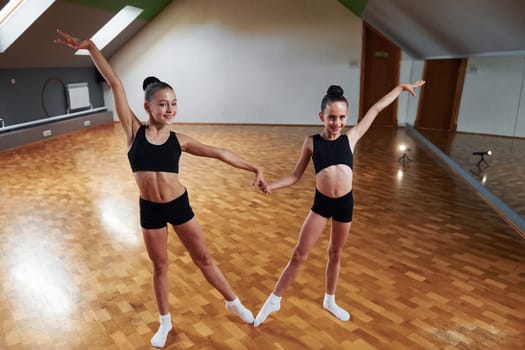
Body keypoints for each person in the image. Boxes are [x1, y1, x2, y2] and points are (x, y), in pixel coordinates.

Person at [54, 29, 264, 348]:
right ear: (148, 107)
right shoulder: (132, 132)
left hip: (178, 205)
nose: (170, 109)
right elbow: (115, 83)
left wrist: (254, 167)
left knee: (203, 258)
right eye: (163, 104)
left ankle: (233, 301)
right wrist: (91, 47)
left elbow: (219, 152)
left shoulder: (179, 141)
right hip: (149, 208)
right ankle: (165, 321)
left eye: (174, 104)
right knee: (160, 266)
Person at [254, 81, 425, 327]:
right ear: (321, 116)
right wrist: (271, 185)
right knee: (299, 255)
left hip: (345, 204)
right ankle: (274, 300)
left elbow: (376, 109)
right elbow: (295, 176)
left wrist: (399, 88)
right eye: (332, 118)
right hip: (321, 205)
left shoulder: (350, 138)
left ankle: (330, 300)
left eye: (342, 117)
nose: (337, 123)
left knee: (335, 253)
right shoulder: (311, 142)